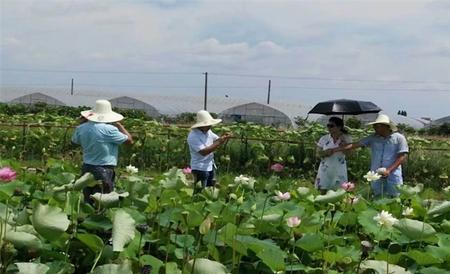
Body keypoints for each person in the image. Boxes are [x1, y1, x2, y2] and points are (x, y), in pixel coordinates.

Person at [331, 114, 408, 197]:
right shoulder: (373, 138)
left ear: (385, 126)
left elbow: (402, 157)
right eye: (374, 126)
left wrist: (389, 170)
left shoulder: (399, 138)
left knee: (395, 197)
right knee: (378, 197)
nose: (374, 128)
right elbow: (355, 145)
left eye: (377, 126)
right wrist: (334, 150)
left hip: (393, 175)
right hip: (375, 175)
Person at [71, 99, 133, 203]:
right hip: (103, 169)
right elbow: (129, 140)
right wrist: (119, 125)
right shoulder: (109, 129)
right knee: (102, 202)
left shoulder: (80, 128)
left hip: (86, 167)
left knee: (88, 200)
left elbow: (74, 142)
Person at [187, 110, 231, 190]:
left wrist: (224, 137)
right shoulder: (193, 136)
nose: (210, 126)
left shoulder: (208, 132)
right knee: (200, 192)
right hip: (199, 168)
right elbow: (204, 152)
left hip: (210, 166)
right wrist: (219, 141)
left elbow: (217, 140)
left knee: (210, 191)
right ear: (200, 125)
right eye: (207, 125)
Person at [315, 117, 352, 194]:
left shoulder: (347, 138)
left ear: (339, 127)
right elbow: (317, 154)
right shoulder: (324, 138)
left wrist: (344, 146)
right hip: (325, 169)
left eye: (331, 126)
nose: (329, 128)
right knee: (323, 192)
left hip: (339, 169)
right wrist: (325, 152)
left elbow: (350, 155)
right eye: (328, 125)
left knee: (339, 192)